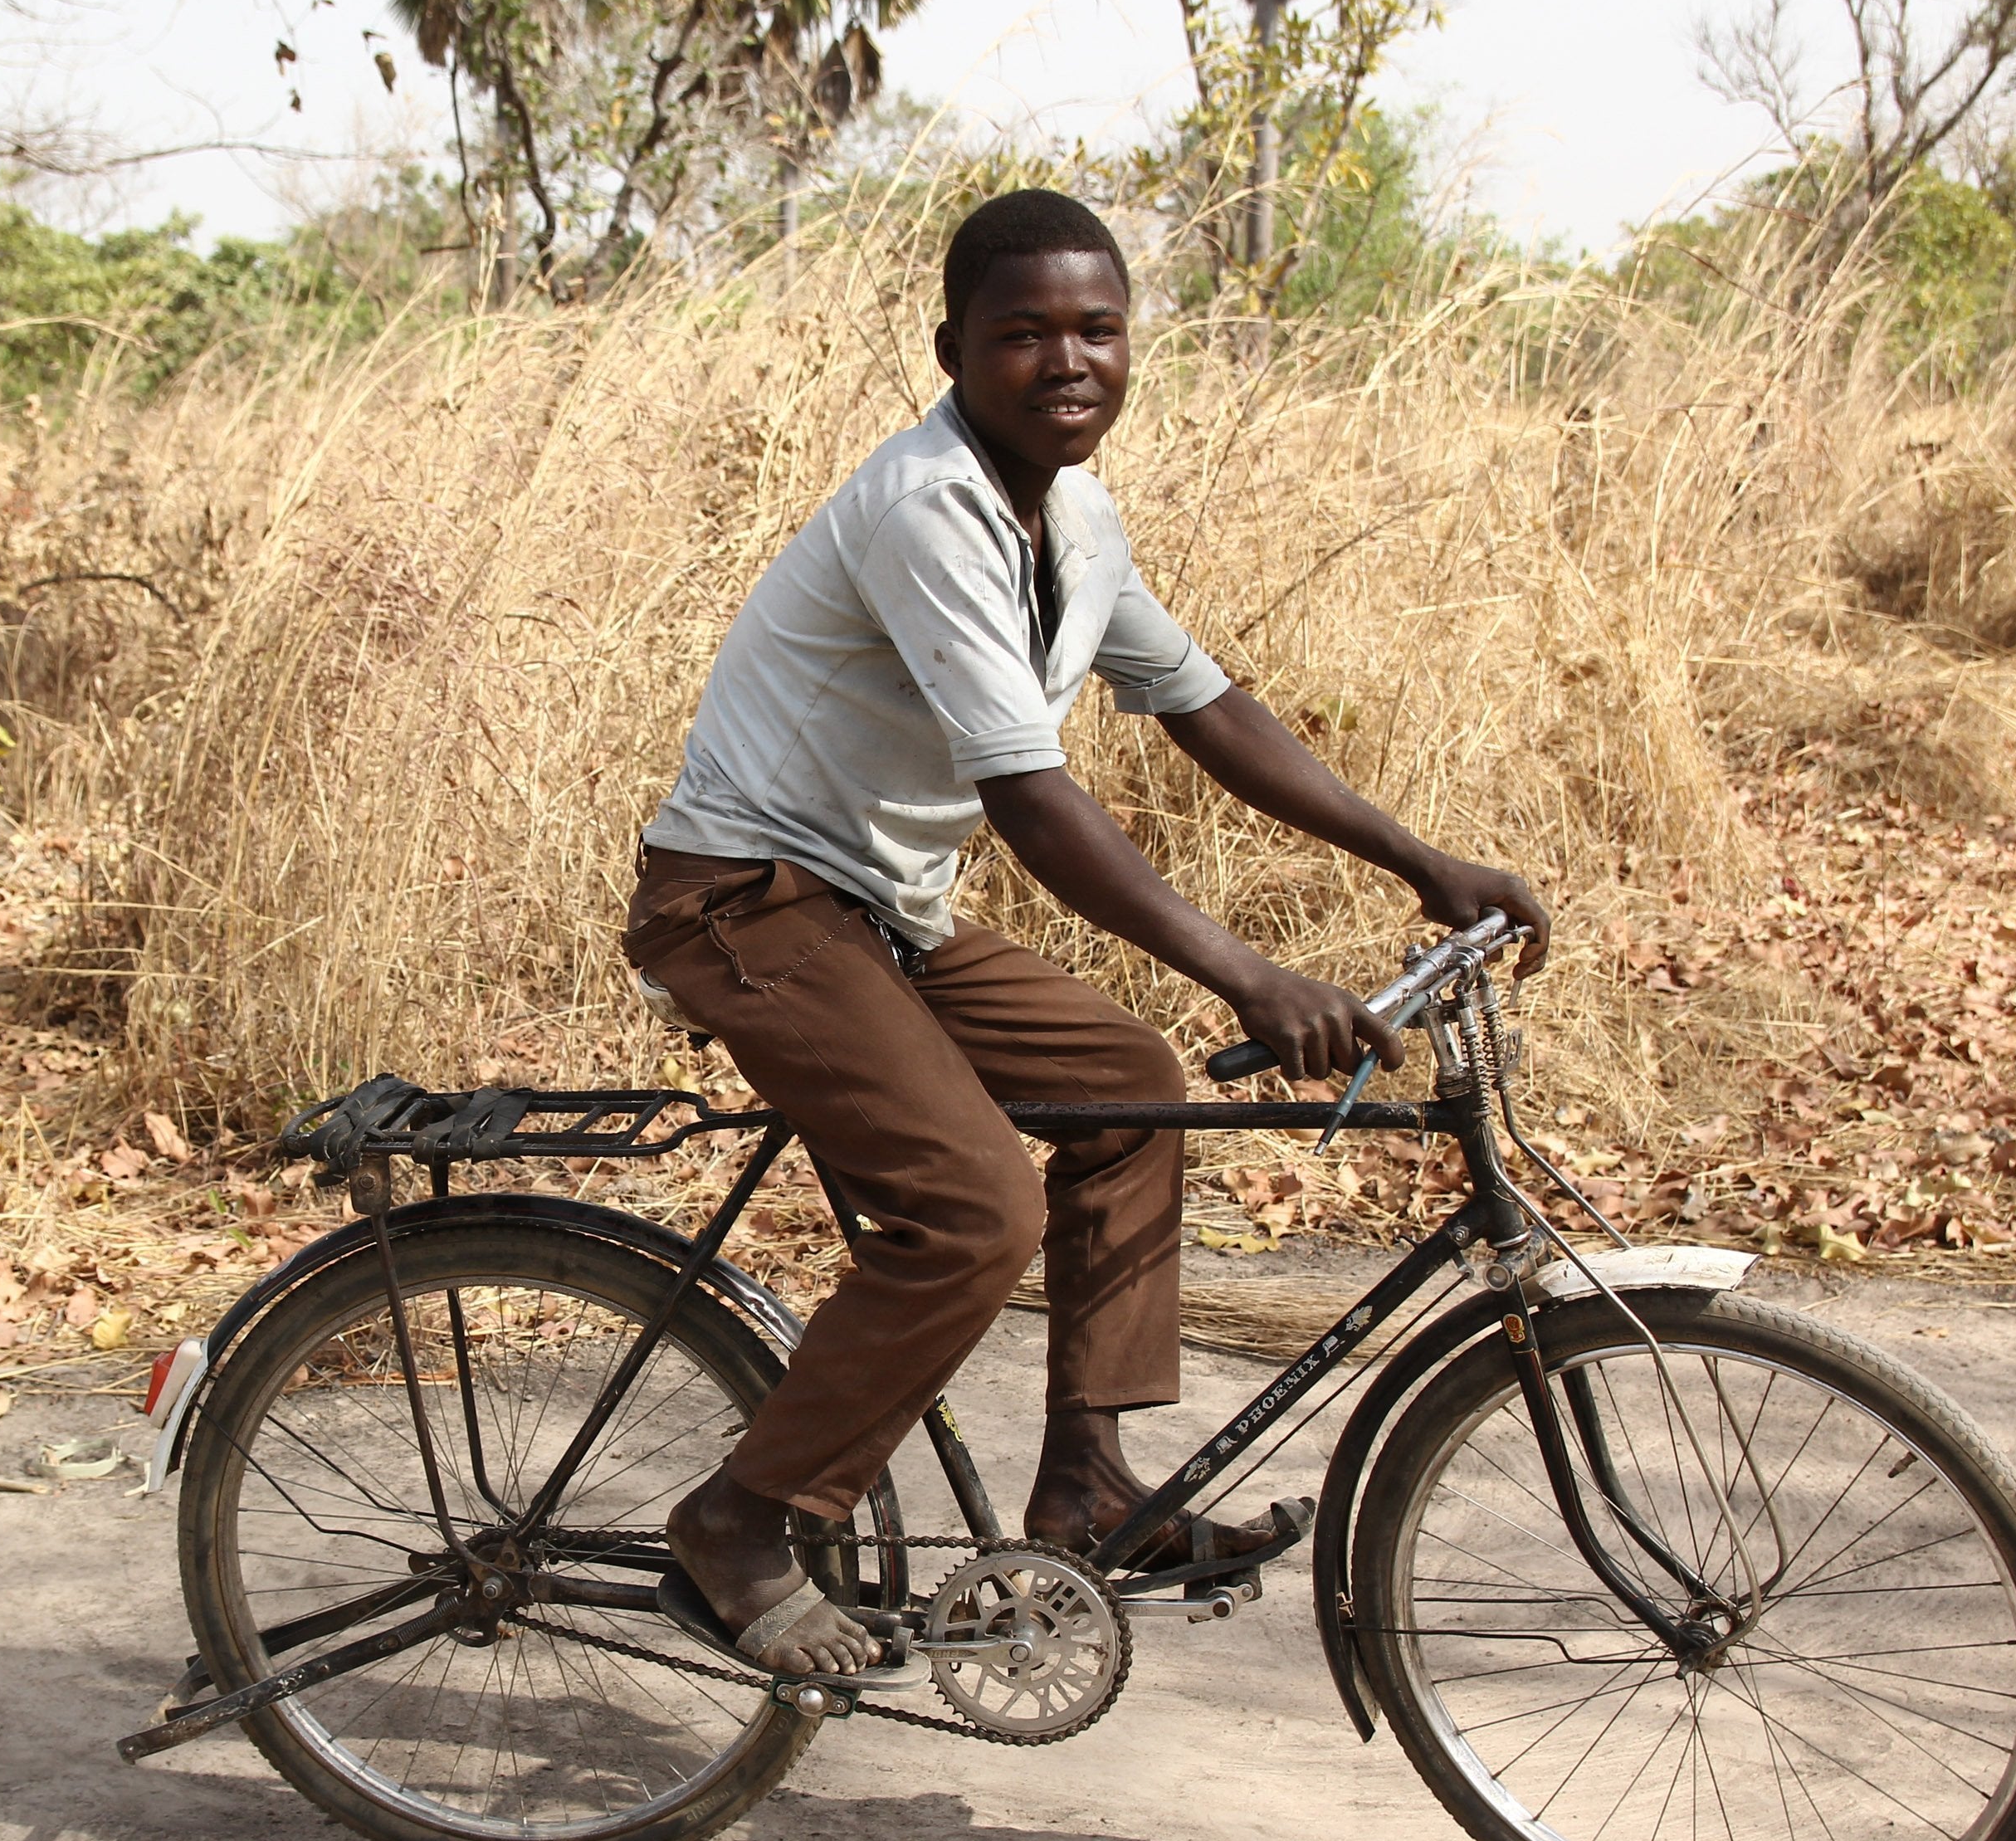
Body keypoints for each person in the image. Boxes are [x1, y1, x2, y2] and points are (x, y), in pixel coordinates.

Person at [626, 188, 1551, 1677]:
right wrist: (1249, 971)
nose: (1069, 360)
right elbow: (1034, 802)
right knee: (976, 1209)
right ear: (954, 349)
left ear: (1132, 346)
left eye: (1099, 330)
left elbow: (1207, 705)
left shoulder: (1072, 514)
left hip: (876, 908)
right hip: (747, 902)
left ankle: (1088, 1484)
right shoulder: (931, 507)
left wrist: (1422, 858)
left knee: (1128, 1085)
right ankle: (741, 1521)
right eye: (1026, 333)